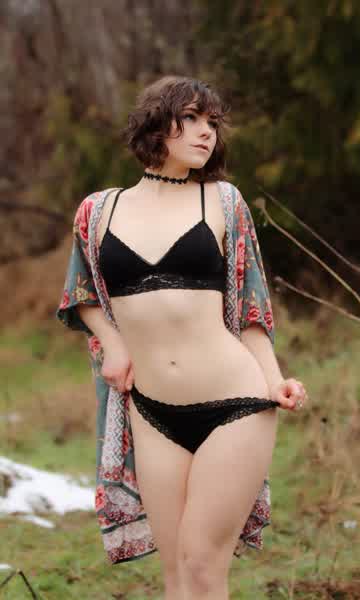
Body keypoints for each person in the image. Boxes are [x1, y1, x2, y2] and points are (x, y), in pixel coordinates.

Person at [56, 75, 308, 600]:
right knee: (175, 578)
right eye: (190, 118)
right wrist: (114, 344)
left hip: (235, 402)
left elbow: (252, 307)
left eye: (212, 122)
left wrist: (275, 380)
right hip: (152, 412)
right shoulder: (98, 210)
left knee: (202, 566)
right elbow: (81, 293)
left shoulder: (223, 201)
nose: (205, 132)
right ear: (155, 124)